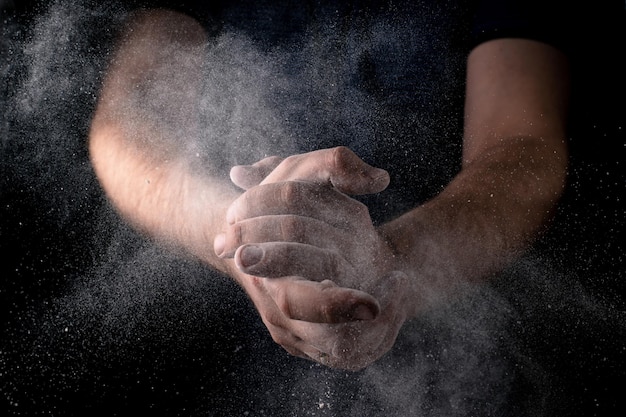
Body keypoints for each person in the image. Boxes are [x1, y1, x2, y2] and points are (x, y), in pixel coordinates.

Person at [88, 0, 570, 373]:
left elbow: (522, 147)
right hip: (228, 364)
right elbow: (127, 132)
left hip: (464, 350)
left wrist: (391, 265)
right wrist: (247, 236)